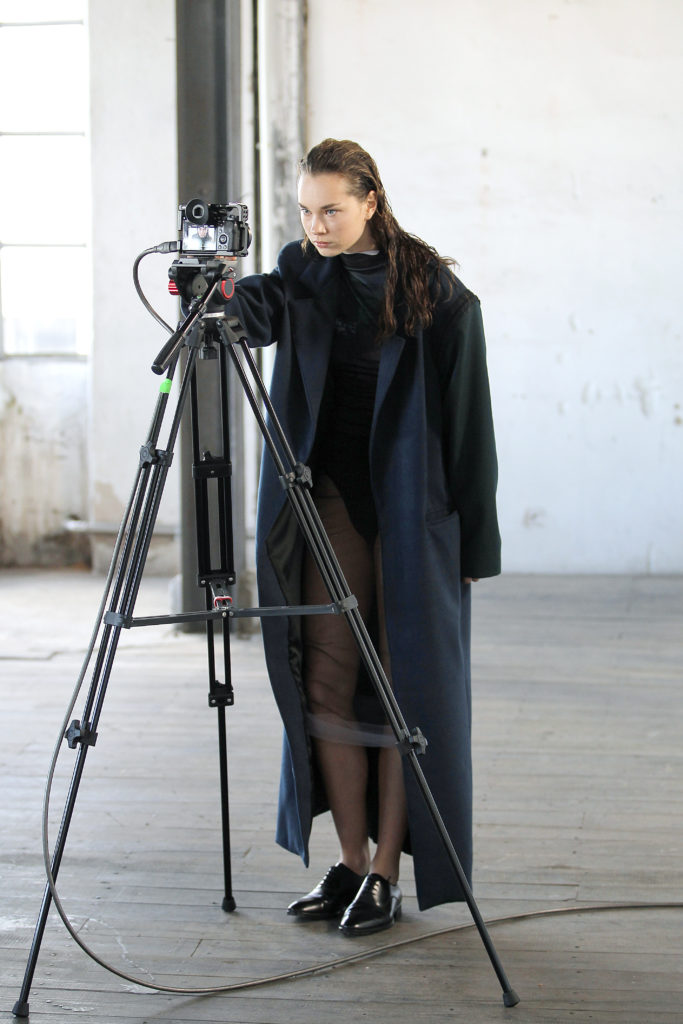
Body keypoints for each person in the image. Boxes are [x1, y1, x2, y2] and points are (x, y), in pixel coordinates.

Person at [225, 138, 501, 936]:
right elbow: (255, 312)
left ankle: (385, 874)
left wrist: (474, 549)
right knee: (326, 677)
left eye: (331, 211)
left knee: (401, 687)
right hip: (331, 504)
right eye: (305, 211)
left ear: (371, 200)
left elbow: (470, 432)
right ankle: (348, 860)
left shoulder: (438, 294)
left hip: (413, 515)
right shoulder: (301, 270)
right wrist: (219, 289)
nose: (316, 226)